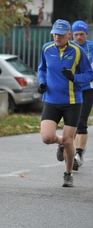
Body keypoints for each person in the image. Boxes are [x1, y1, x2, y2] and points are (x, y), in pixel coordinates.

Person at [37, 19, 93, 187]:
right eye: (54, 33)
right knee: (47, 137)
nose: (57, 37)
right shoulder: (46, 48)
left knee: (70, 141)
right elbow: (42, 68)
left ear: (68, 34)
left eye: (60, 34)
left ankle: (67, 173)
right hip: (51, 100)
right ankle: (61, 141)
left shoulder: (77, 51)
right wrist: (41, 82)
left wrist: (74, 77)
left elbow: (89, 74)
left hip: (72, 102)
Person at [71, 20, 93, 171]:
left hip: (88, 89)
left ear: (86, 34)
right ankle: (65, 146)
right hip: (71, 89)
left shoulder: (91, 47)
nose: (79, 37)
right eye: (76, 34)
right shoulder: (69, 47)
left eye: (82, 34)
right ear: (71, 34)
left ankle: (78, 154)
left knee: (81, 121)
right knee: (70, 123)